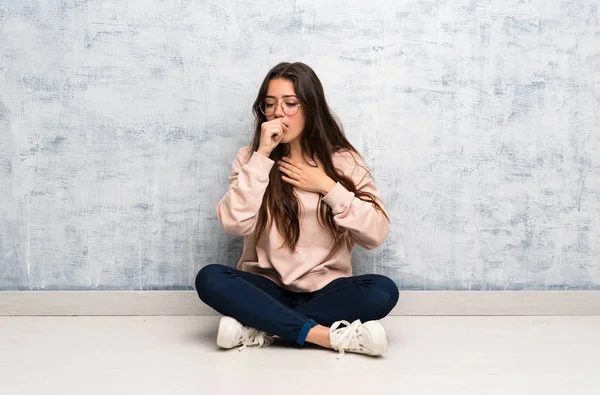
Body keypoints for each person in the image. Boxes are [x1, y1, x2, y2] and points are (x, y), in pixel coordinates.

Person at [195, 62, 399, 358]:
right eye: (270, 104)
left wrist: (327, 186)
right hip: (266, 287)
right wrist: (262, 156)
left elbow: (376, 233)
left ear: (310, 108)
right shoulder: (250, 158)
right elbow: (234, 222)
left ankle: (260, 326)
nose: (279, 113)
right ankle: (327, 336)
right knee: (210, 278)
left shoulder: (344, 161)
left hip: (327, 290)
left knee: (383, 290)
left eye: (290, 104)